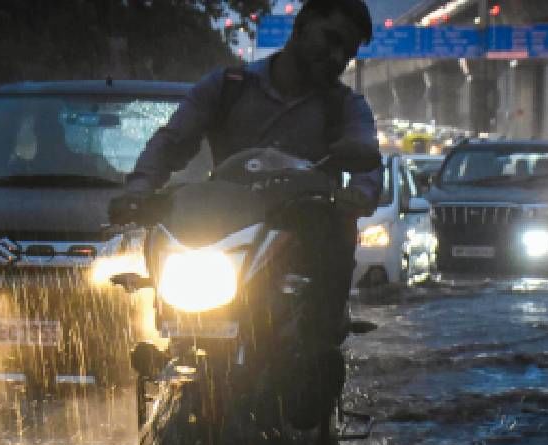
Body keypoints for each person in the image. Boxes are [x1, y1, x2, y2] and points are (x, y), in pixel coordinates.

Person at [110, 0, 380, 347]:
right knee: (167, 288)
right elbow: (172, 140)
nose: (335, 55)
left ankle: (318, 369)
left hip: (306, 244)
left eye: (346, 51)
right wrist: (139, 190)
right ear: (301, 27)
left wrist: (358, 194)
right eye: (330, 39)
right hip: (225, 237)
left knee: (319, 337)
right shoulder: (227, 86)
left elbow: (366, 156)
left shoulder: (345, 106)